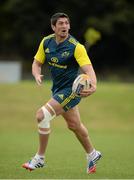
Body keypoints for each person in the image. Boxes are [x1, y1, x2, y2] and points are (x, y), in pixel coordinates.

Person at [22, 12, 101, 174]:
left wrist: (93, 85)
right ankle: (92, 153)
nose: (64, 26)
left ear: (69, 26)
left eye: (66, 23)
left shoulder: (76, 47)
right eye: (60, 24)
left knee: (41, 115)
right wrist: (36, 74)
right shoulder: (46, 42)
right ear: (53, 27)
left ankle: (39, 158)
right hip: (57, 89)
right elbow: (36, 63)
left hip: (71, 91)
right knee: (74, 125)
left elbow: (89, 69)